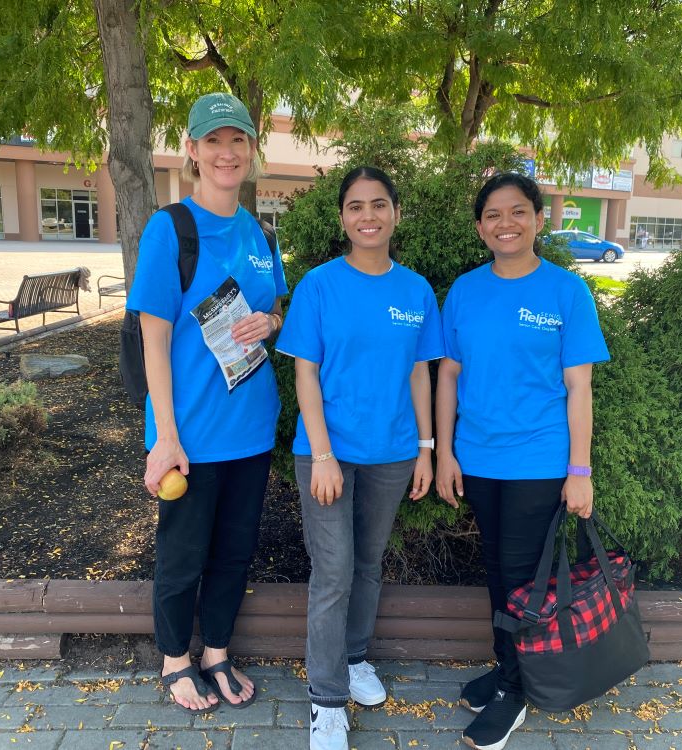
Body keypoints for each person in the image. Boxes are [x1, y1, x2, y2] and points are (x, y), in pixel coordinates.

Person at [435, 172, 610, 750]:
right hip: (480, 458)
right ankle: (507, 665)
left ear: (538, 219)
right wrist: (444, 453)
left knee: (520, 577)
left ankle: (517, 687)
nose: (505, 223)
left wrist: (579, 471)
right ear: (480, 226)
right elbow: (449, 376)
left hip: (539, 461)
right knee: (498, 570)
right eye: (493, 214)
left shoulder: (566, 292)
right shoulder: (463, 291)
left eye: (517, 212)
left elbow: (579, 388)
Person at [125, 92, 287, 715]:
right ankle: (174, 661)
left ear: (251, 151)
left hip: (250, 429)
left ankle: (216, 651)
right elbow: (154, 340)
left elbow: (273, 309)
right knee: (183, 553)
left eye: (238, 140)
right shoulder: (172, 230)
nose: (227, 152)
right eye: (213, 141)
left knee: (233, 552)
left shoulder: (260, 232)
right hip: (189, 434)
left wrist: (270, 324)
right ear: (192, 151)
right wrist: (165, 437)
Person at [276, 166, 443, 750]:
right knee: (334, 572)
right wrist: (322, 453)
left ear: (395, 213)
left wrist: (426, 448)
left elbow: (421, 373)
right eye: (355, 206)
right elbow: (305, 372)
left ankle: (352, 659)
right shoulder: (320, 285)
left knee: (368, 563)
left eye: (378, 205)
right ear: (342, 217)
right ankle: (326, 700)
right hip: (328, 454)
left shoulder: (417, 290)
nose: (367, 216)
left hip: (393, 453)